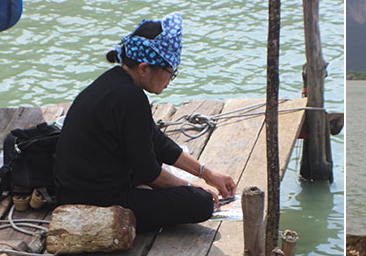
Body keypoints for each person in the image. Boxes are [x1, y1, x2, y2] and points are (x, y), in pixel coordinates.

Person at [54, 12, 236, 232]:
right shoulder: (131, 98)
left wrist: (207, 174)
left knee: (183, 188)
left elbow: (157, 142)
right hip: (95, 199)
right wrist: (193, 187)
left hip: (80, 186)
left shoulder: (114, 82)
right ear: (143, 68)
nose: (171, 79)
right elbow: (149, 173)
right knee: (201, 203)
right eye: (170, 72)